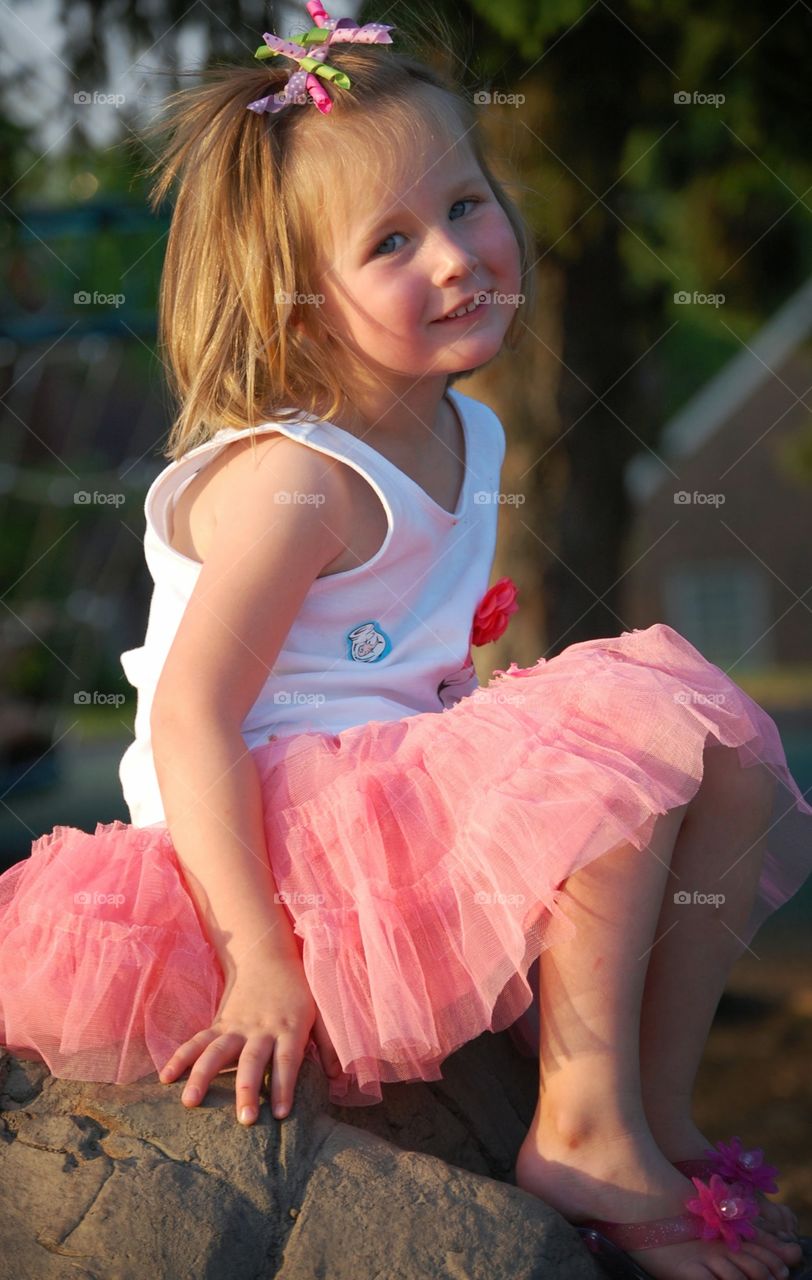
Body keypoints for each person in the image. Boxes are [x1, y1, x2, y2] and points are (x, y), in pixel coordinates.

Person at [0, 6, 810, 1277]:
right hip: (259, 845)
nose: (453, 256)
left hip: (375, 797)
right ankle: (585, 1122)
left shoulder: (468, 430)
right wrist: (254, 957)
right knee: (625, 724)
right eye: (389, 242)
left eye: (467, 205)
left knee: (732, 756)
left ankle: (645, 1108)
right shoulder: (296, 476)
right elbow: (191, 714)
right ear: (302, 304)